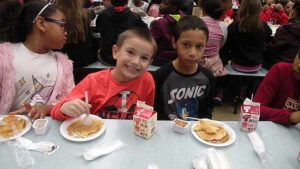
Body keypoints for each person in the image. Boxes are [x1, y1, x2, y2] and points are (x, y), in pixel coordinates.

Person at [51, 28, 157, 120]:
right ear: (115, 52)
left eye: (144, 58)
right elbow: (55, 111)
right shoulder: (92, 81)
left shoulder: (147, 80)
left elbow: (147, 114)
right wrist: (64, 108)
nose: (136, 61)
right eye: (130, 52)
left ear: (149, 63)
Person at [0, 0, 74, 120]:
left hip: (48, 133)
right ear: (41, 23)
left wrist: (46, 108)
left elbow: (67, 101)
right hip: (8, 132)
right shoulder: (4, 57)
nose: (66, 32)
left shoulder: (63, 65)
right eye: (62, 25)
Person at [152, 15, 215, 120]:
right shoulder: (160, 76)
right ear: (174, 43)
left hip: (194, 131)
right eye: (186, 45)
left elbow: (206, 111)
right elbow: (156, 111)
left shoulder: (208, 78)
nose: (192, 53)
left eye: (199, 46)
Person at [221, 0, 272, 72]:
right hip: (256, 65)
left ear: (242, 8)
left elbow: (226, 47)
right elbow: (269, 36)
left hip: (237, 64)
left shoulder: (234, 26)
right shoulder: (264, 26)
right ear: (258, 9)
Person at [55, 0, 99, 84]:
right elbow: (92, 13)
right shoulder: (85, 14)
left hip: (62, 57)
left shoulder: (55, 15)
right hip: (84, 59)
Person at [253, 48, 300, 125]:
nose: (299, 65)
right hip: (268, 127)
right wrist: (291, 116)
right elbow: (256, 109)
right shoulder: (280, 70)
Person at [96, 0, 148, 65]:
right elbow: (145, 31)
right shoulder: (134, 17)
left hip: (106, 58)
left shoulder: (102, 15)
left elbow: (97, 28)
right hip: (126, 59)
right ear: (127, 2)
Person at [263, 0, 300, 69]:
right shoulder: (287, 27)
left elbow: (271, 51)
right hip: (296, 65)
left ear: (294, 12)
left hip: (281, 66)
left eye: (291, 8)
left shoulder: (286, 29)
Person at [150, 0, 185, 66]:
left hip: (160, 59)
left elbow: (150, 42)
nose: (161, 5)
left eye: (165, 4)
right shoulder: (184, 18)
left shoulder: (160, 23)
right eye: (161, 2)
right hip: (178, 57)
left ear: (174, 7)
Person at [199, 0, 227, 77]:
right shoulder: (223, 26)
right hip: (214, 68)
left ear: (203, 10)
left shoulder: (196, 22)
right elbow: (221, 45)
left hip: (196, 63)